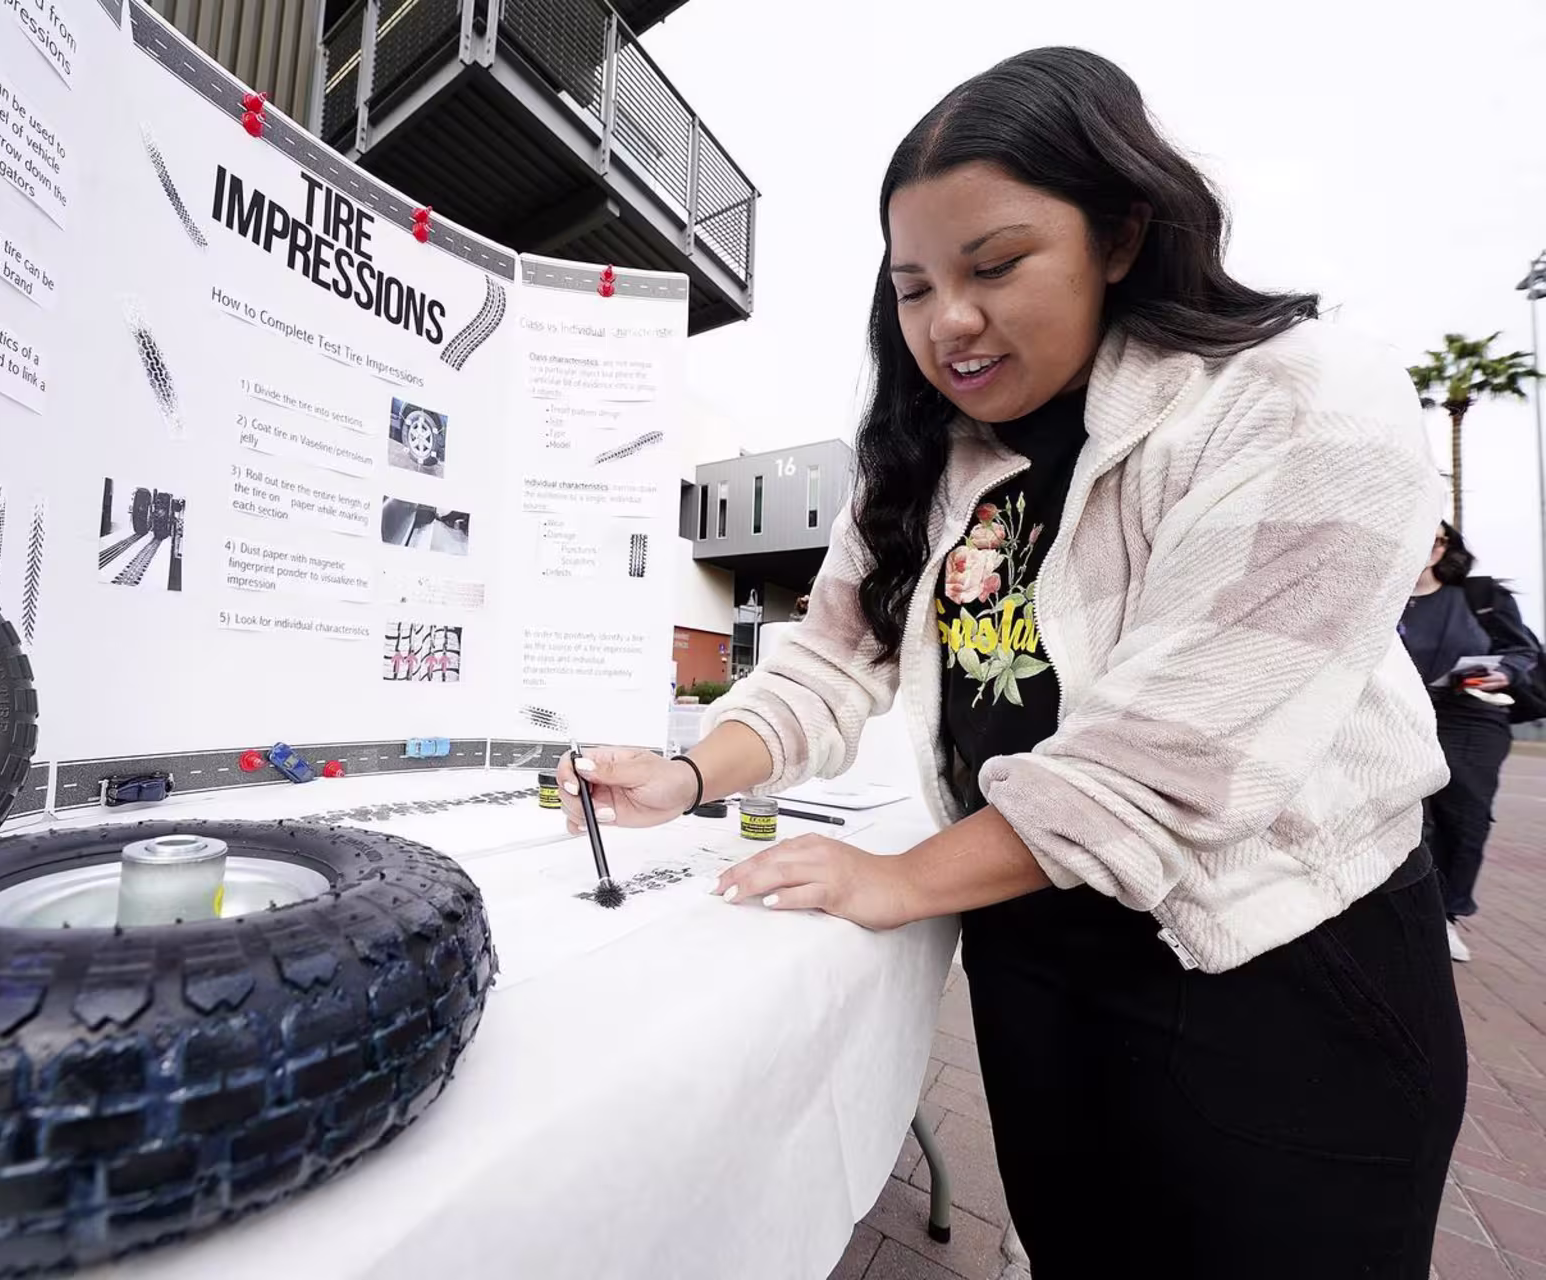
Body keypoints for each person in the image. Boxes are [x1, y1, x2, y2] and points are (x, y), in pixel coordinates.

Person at [555, 46, 1464, 1278]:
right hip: (1034, 942)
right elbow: (831, 654)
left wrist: (903, 875)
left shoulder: (1297, 399)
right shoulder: (920, 456)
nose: (950, 321)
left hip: (1273, 958)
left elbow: (1168, 760)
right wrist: (688, 773)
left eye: (995, 266)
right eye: (914, 285)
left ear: (1124, 232)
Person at [1400, 521, 1537, 961]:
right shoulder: (1379, 597)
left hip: (1471, 712)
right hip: (1403, 714)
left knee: (1466, 813)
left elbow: (1522, 650)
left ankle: (1447, 914)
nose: (1425, 545)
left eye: (1435, 538)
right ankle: (1407, 912)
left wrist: (1507, 672)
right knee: (1410, 814)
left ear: (1445, 548)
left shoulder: (1480, 596)